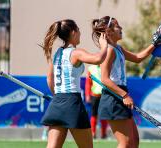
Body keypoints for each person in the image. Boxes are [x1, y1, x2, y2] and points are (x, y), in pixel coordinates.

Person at [91, 16, 161, 148]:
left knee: (134, 141)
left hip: (119, 95)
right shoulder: (109, 50)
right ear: (109, 32)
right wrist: (124, 95)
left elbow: (137, 58)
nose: (121, 28)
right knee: (125, 144)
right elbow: (105, 79)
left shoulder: (118, 48)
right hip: (113, 97)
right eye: (117, 26)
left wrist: (154, 44)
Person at [40, 19, 108, 148]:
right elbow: (98, 58)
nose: (80, 34)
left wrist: (58, 97)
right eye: (79, 30)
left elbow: (49, 78)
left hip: (57, 103)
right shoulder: (75, 52)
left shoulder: (57, 54)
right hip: (72, 103)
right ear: (73, 32)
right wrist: (104, 45)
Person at [85, 65, 108, 139]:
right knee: (94, 115)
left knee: (104, 115)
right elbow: (88, 83)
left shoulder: (106, 66)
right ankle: (93, 133)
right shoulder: (91, 68)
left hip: (104, 95)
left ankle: (103, 134)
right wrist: (87, 95)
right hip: (95, 95)